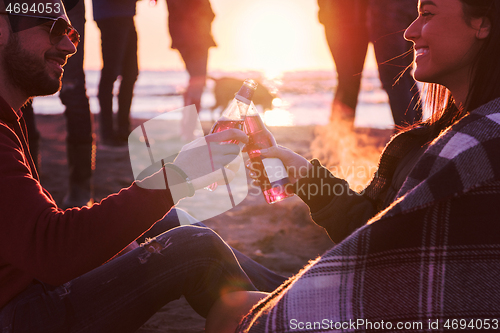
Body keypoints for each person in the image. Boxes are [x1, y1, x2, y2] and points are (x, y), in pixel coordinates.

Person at [208, 0, 500, 331]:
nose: (409, 31)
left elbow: (405, 273)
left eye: (427, 14)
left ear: (481, 24)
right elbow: (372, 232)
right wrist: (304, 175)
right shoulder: (434, 137)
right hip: (373, 289)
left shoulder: (478, 147)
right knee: (192, 242)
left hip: (392, 310)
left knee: (227, 306)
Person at [0, 1, 284, 331]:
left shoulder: (9, 120)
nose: (68, 46)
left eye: (72, 33)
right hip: (16, 313)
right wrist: (180, 174)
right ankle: (293, 313)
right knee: (195, 249)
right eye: (54, 30)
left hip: (27, 287)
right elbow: (52, 249)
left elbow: (32, 236)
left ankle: (298, 289)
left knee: (171, 220)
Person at [21, 0, 95, 208]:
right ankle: (27, 184)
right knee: (23, 84)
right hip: (26, 5)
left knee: (72, 90)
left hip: (68, 5)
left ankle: (80, 190)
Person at [318, 0, 423, 129]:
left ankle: (412, 137)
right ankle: (415, 135)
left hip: (379, 9)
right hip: (347, 12)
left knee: (395, 76)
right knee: (396, 76)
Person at [165, 0, 217, 140]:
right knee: (197, 83)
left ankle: (187, 127)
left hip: (189, 37)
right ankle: (189, 128)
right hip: (195, 38)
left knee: (195, 82)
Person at [92, 0, 138, 147]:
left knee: (130, 73)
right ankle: (108, 134)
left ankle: (123, 132)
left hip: (124, 13)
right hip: (111, 14)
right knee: (111, 73)